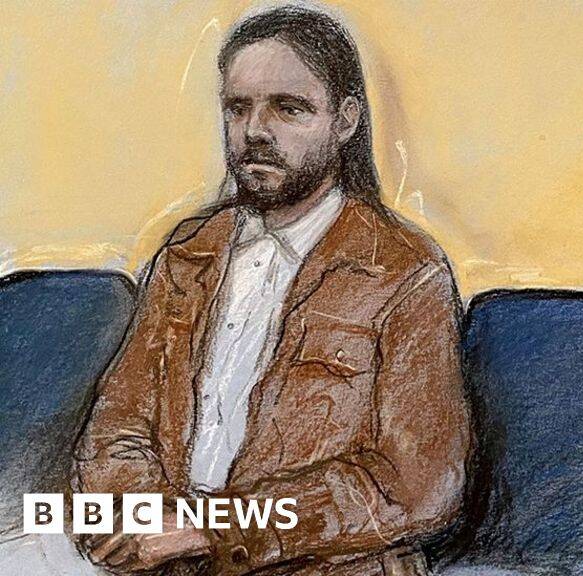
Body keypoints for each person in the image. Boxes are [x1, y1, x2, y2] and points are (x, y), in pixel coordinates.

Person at [73, 6, 470, 575]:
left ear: (345, 121)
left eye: (289, 108)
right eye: (238, 108)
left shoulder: (404, 272)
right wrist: (142, 516)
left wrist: (211, 529)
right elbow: (119, 422)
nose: (255, 131)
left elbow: (417, 485)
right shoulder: (188, 252)